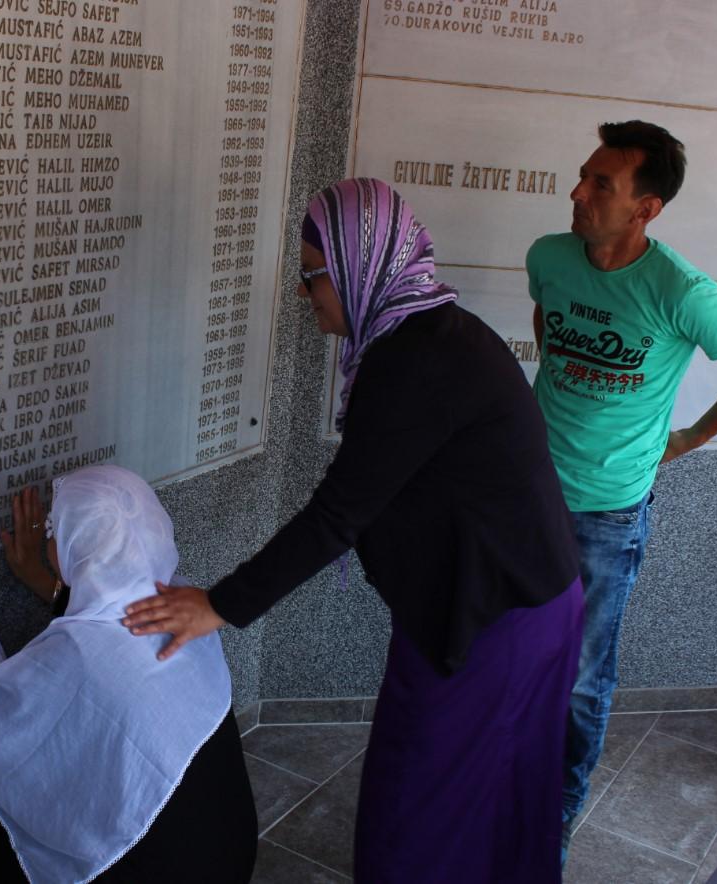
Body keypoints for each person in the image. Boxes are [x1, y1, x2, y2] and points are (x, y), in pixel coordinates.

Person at [122, 177, 585, 881]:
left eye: (312, 274)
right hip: (515, 600)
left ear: (356, 268)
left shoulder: (416, 358)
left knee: (421, 807)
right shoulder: (426, 334)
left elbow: (338, 514)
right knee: (483, 797)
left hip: (497, 620)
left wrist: (217, 605)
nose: (303, 292)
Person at [526, 120, 717, 851]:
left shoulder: (678, 288)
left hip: (606, 514)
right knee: (509, 649)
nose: (577, 193)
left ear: (645, 208)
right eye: (583, 175)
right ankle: (500, 787)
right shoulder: (549, 255)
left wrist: (685, 441)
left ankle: (553, 820)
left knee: (580, 678)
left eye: (600, 185)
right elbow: (547, 324)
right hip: (524, 493)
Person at [0, 467, 257, 884]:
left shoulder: (77, 657)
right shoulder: (183, 609)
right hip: (231, 856)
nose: (49, 537)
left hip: (162, 873)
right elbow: (112, 619)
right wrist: (46, 581)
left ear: (77, 548)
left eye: (56, 530)